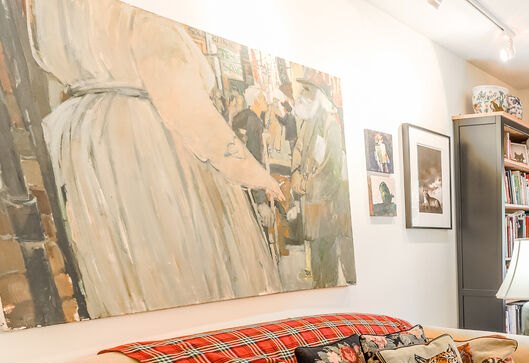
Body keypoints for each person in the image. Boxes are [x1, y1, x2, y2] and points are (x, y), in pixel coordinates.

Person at [29, 0, 284, 319]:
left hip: (84, 147)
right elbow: (189, 110)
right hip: (147, 143)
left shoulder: (56, 17)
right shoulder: (143, 18)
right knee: (185, 268)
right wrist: (255, 174)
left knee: (131, 273)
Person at [290, 71, 354, 287]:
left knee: (325, 263)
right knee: (316, 259)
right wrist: (296, 174)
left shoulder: (330, 126)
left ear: (319, 97)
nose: (302, 95)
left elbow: (331, 172)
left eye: (307, 90)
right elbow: (298, 151)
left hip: (327, 209)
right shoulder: (307, 125)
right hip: (313, 207)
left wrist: (306, 184)